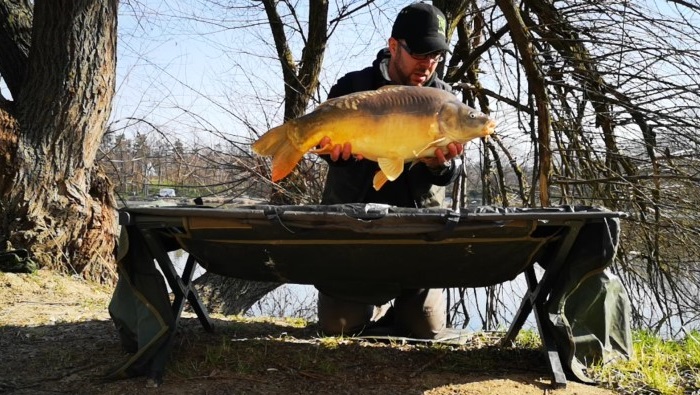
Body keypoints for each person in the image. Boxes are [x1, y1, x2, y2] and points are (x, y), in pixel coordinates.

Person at [315, 2, 463, 340]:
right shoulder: (352, 88)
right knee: (338, 327)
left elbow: (450, 171)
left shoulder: (444, 99)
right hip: (354, 231)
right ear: (394, 46)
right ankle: (373, 306)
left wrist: (441, 165)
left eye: (436, 56)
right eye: (420, 53)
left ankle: (404, 307)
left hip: (417, 232)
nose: (428, 64)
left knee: (425, 328)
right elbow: (325, 150)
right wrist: (337, 157)